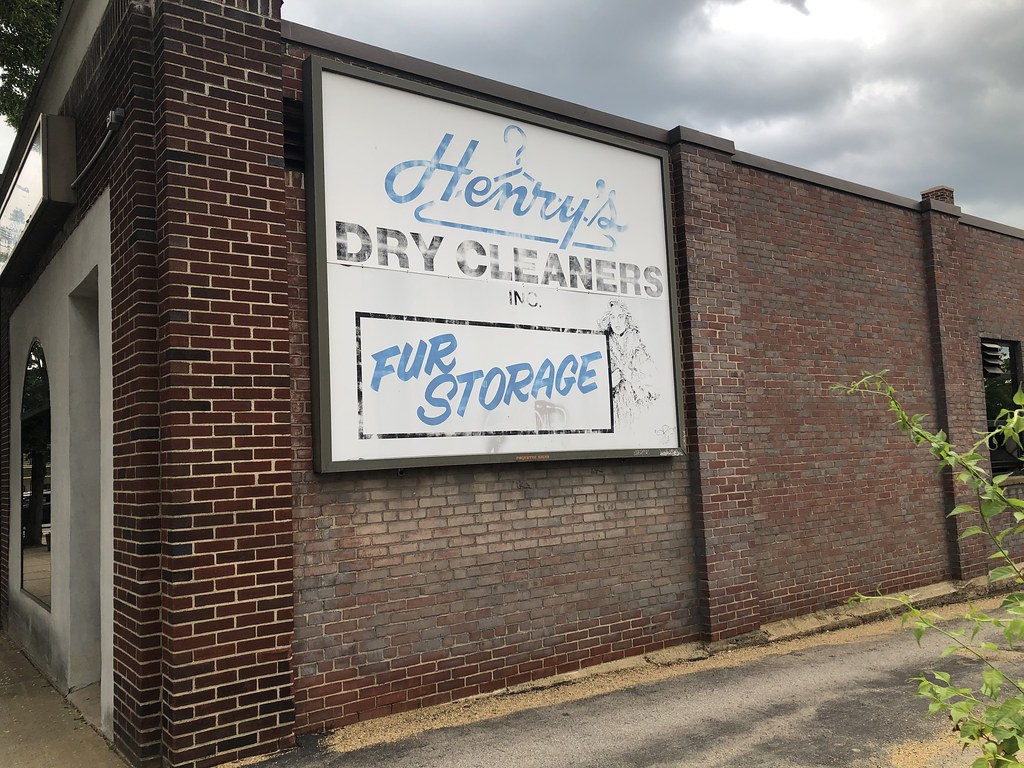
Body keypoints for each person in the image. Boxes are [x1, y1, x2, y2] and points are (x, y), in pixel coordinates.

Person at [598, 300, 657, 426]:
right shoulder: (602, 344)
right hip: (613, 413)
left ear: (627, 318)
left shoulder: (637, 345)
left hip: (638, 411)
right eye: (612, 317)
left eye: (620, 316)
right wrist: (608, 384)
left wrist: (631, 375)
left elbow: (654, 381)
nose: (617, 322)